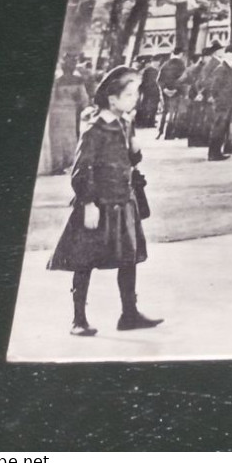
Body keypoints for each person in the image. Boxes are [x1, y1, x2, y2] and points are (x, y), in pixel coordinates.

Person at [47, 66, 162, 336]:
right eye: (130, 94)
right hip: (98, 206)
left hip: (123, 202)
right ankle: (78, 319)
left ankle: (129, 314)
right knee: (84, 261)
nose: (136, 98)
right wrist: (88, 204)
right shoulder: (95, 130)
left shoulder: (124, 124)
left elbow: (132, 160)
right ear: (113, 99)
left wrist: (134, 143)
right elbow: (80, 171)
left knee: (128, 258)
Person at [44, 54, 91, 175]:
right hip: (70, 112)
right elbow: (84, 99)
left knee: (56, 138)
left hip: (55, 112)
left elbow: (51, 98)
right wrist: (82, 107)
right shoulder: (78, 81)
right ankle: (68, 162)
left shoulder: (57, 81)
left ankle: (56, 165)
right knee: (69, 137)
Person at [205, 42, 232, 161]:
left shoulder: (231, 68)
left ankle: (217, 152)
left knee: (222, 128)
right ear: (226, 54)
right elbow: (214, 87)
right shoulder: (221, 68)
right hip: (222, 104)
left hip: (228, 103)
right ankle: (213, 153)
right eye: (230, 53)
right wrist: (218, 100)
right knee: (218, 128)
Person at [155, 50, 190, 140]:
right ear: (180, 54)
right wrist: (175, 89)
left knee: (165, 112)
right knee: (174, 113)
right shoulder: (181, 65)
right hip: (176, 92)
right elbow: (183, 79)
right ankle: (170, 134)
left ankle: (161, 132)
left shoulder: (165, 64)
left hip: (166, 93)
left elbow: (159, 80)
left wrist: (164, 89)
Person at [134, 57, 161, 130]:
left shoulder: (154, 70)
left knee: (149, 107)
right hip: (149, 91)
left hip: (150, 91)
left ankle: (147, 122)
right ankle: (146, 122)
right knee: (147, 107)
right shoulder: (150, 71)